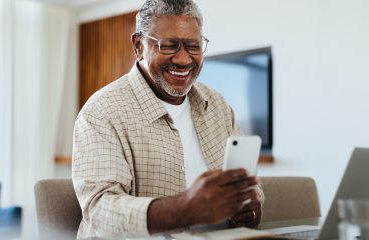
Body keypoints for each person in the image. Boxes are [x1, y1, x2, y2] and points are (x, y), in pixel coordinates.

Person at [72, 0, 264, 238]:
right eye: (169, 45)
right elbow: (100, 210)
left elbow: (250, 184)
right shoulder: (102, 111)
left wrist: (250, 208)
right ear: (139, 45)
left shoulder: (217, 105)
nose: (183, 60)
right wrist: (184, 210)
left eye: (193, 46)